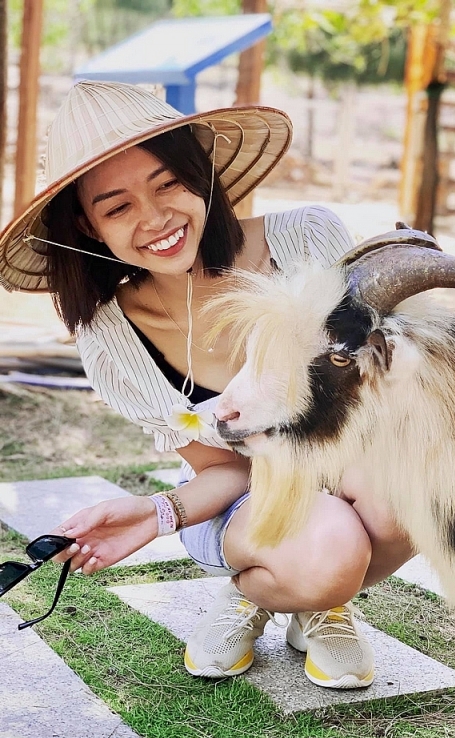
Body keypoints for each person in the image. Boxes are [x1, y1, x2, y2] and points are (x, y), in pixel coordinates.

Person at [0, 80, 415, 688]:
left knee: (406, 489)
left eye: (168, 182)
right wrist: (154, 514)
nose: (156, 217)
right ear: (90, 228)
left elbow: (376, 400)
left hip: (353, 468)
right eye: (117, 207)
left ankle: (318, 599)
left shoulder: (307, 241)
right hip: (240, 501)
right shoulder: (113, 336)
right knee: (329, 549)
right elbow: (227, 470)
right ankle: (266, 590)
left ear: (202, 175)